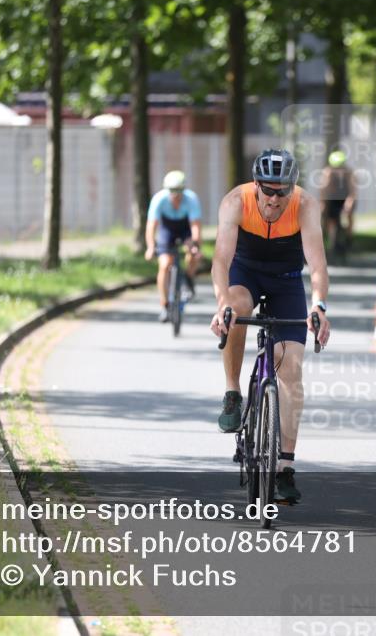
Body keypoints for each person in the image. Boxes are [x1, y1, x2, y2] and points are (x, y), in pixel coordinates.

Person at [210, 149, 331, 504]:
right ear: (256, 185)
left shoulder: (305, 206)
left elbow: (318, 266)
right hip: (244, 275)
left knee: (290, 366)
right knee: (238, 308)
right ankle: (233, 392)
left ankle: (285, 468)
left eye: (283, 192)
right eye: (268, 190)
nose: (275, 199)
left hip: (286, 281)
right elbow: (220, 260)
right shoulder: (236, 201)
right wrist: (222, 305)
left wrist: (319, 306)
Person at [145, 171, 203, 323]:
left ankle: (189, 278)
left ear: (184, 189)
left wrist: (196, 245)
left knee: (193, 254)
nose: (175, 195)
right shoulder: (159, 199)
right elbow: (151, 226)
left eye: (178, 191)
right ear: (166, 189)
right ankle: (164, 304)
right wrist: (151, 247)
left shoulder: (191, 199)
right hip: (167, 230)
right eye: (172, 191)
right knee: (164, 265)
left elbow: (195, 226)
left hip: (185, 229)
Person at [318, 149, 357, 253]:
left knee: (349, 215)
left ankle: (349, 238)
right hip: (333, 198)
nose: (338, 170)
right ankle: (331, 242)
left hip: (346, 197)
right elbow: (323, 190)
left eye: (340, 167)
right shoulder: (327, 173)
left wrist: (348, 205)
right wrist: (323, 204)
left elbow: (353, 192)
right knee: (330, 219)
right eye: (336, 168)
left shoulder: (349, 173)